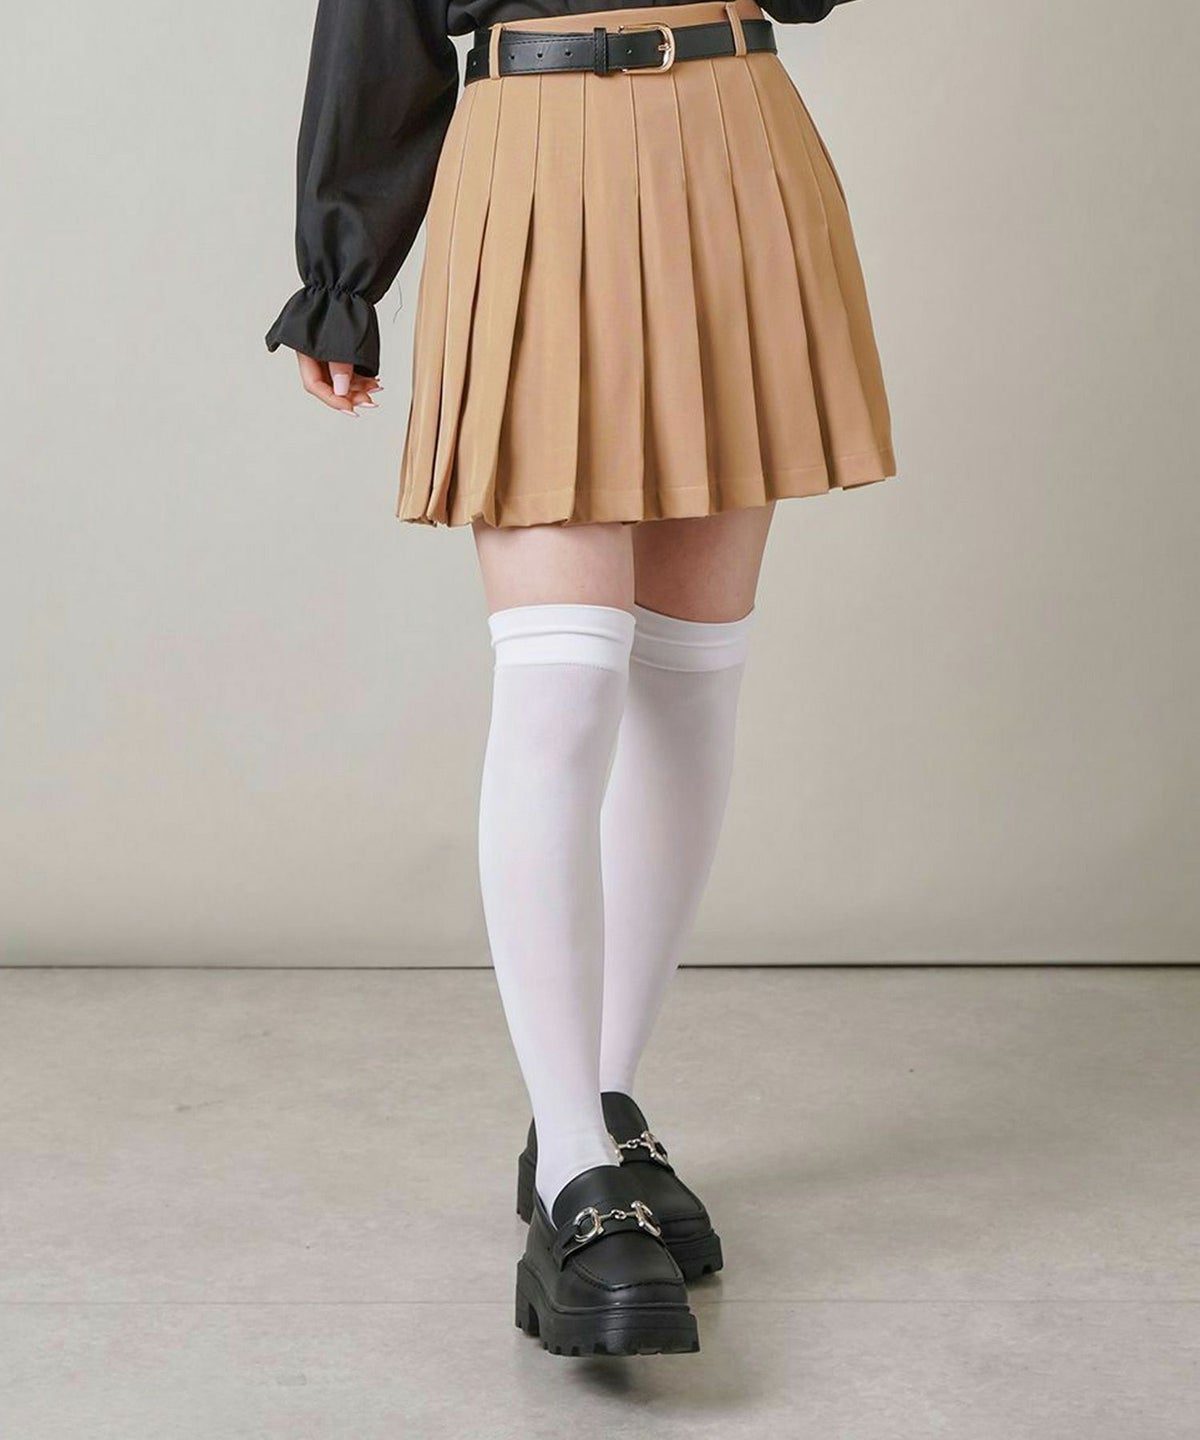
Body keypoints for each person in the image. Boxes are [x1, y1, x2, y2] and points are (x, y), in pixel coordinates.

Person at [265, 0, 896, 1357]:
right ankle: (568, 1169)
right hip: (536, 150)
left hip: (735, 132)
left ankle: (599, 1109)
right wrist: (343, 262)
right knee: (561, 685)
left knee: (690, 678)